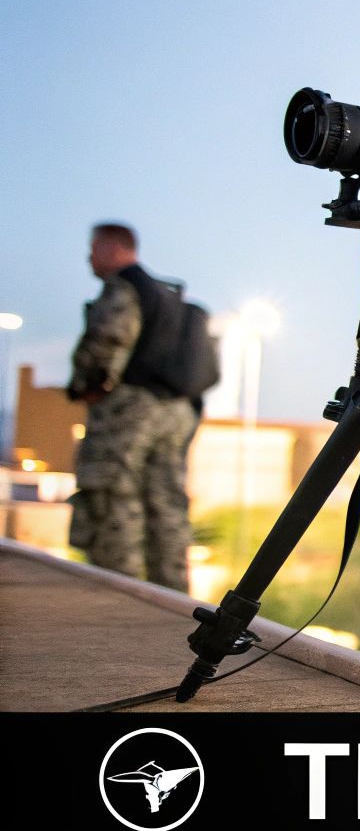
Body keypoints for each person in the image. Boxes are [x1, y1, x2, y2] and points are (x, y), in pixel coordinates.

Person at [67, 223, 206, 591]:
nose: (89, 258)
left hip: (131, 409)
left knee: (114, 493)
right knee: (166, 500)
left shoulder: (123, 287)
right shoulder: (168, 294)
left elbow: (107, 340)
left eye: (94, 249)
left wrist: (87, 385)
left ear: (114, 249)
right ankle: (172, 592)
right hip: (176, 411)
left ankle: (119, 590)